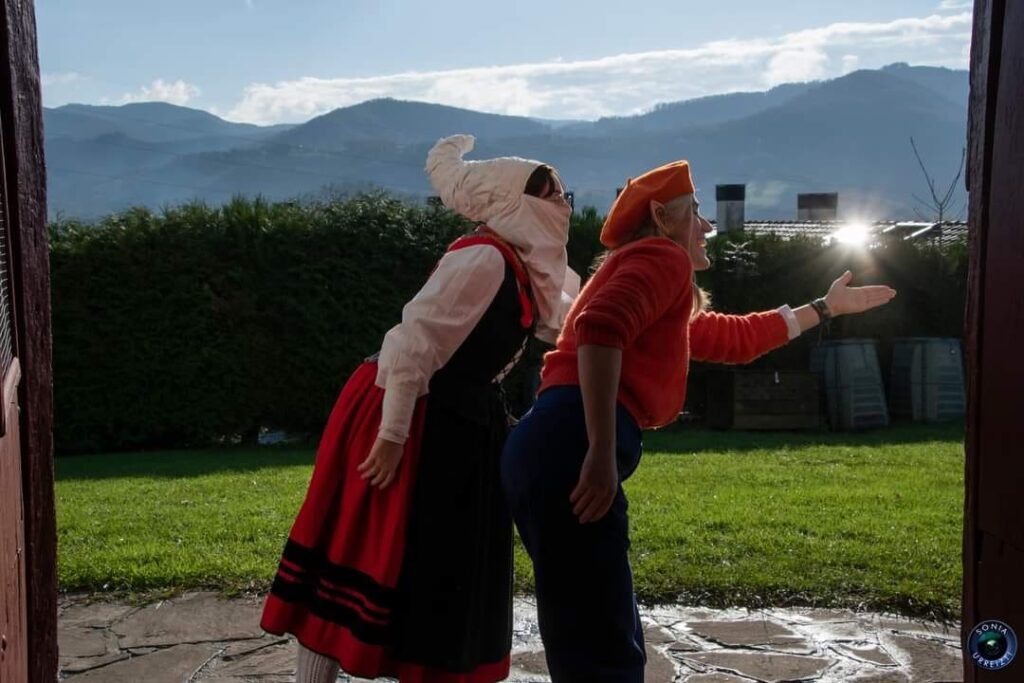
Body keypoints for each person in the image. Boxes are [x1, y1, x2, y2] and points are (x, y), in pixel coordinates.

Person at [500, 160, 897, 683]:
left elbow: (735, 338)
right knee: (602, 649)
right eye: (697, 212)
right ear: (662, 217)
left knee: (592, 634)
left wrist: (825, 308)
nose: (708, 226)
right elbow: (599, 330)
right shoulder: (663, 257)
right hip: (571, 443)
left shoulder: (648, 274)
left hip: (553, 445)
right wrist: (599, 451)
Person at [261, 134, 579, 683]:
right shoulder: (484, 259)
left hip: (458, 420)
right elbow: (413, 344)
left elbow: (569, 321)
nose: (562, 204)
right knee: (361, 553)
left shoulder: (520, 264)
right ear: (513, 201)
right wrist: (392, 436)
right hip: (406, 412)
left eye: (561, 192)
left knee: (437, 571)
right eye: (549, 193)